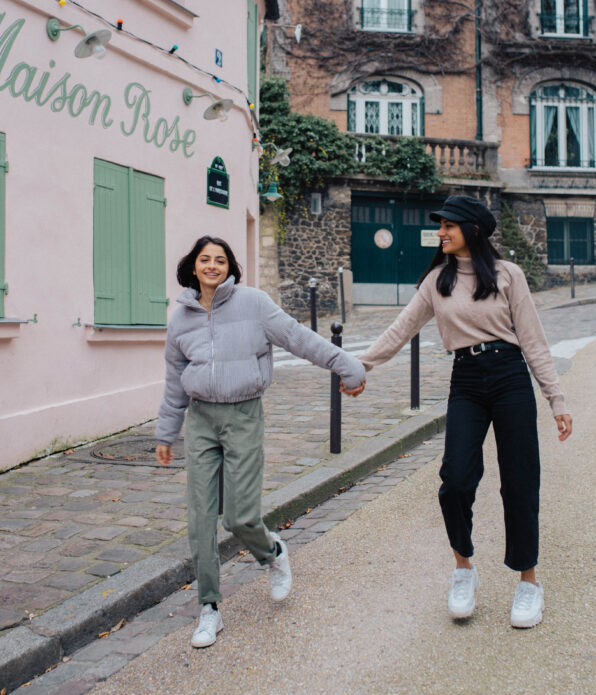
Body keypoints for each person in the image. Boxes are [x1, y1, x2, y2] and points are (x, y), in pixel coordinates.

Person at [347, 195, 572, 628]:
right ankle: (463, 568)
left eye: (448, 225)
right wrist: (361, 366)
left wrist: (556, 399)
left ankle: (528, 581)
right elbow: (402, 328)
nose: (441, 232)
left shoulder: (509, 275)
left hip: (509, 376)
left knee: (521, 481)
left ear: (472, 229)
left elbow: (534, 341)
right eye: (441, 226)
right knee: (455, 479)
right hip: (466, 380)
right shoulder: (437, 280)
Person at [155, 235, 365, 649]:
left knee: (240, 516)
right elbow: (173, 380)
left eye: (219, 259)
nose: (212, 266)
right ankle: (209, 607)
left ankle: (272, 553)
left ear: (229, 265)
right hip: (200, 420)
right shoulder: (180, 317)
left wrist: (346, 365)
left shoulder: (254, 303)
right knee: (200, 519)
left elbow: (298, 338)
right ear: (193, 266)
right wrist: (166, 431)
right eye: (204, 259)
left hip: (243, 415)